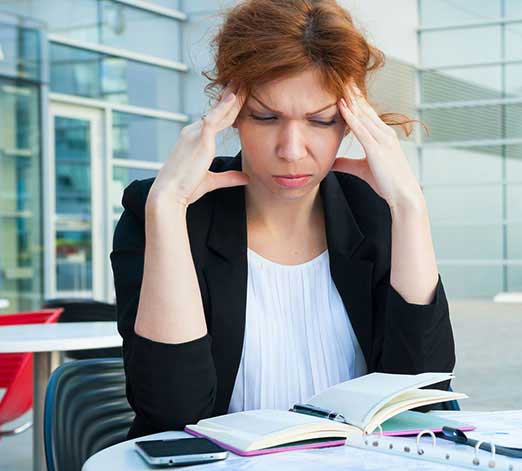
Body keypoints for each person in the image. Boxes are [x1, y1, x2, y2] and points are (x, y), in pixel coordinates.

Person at [111, 0, 455, 439]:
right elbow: (171, 414)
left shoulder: (374, 211)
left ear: (351, 122)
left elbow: (424, 397)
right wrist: (167, 210)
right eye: (266, 117)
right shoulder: (163, 212)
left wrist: (409, 206)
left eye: (320, 120)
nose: (292, 150)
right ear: (231, 112)